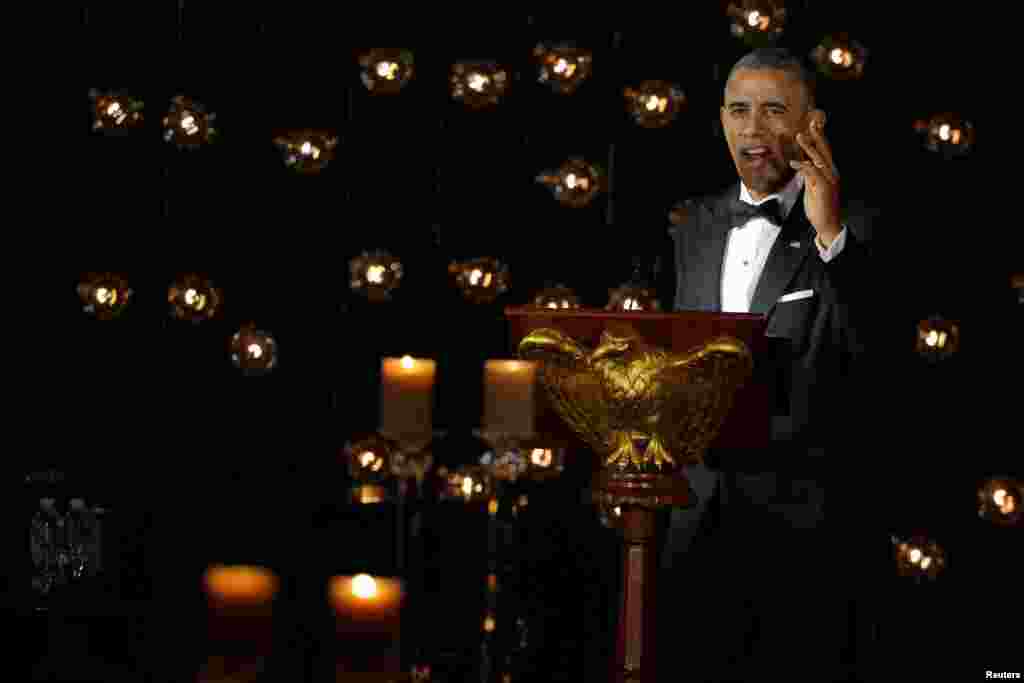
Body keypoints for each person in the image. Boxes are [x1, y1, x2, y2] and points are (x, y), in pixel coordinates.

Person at [656, 48, 877, 682]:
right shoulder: (693, 224)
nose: (753, 130)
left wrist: (829, 229)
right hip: (696, 514)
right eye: (739, 110)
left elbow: (871, 350)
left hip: (802, 525)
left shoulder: (857, 225)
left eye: (775, 111)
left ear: (814, 124)